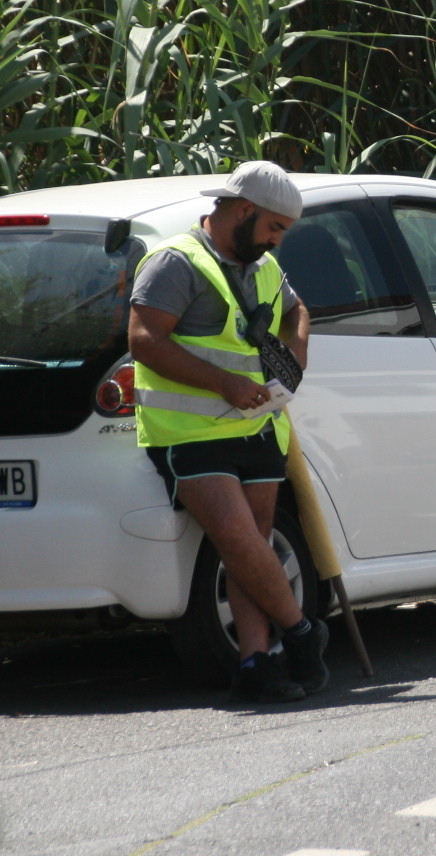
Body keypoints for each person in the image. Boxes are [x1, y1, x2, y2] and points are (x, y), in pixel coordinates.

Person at [128, 161, 328, 701]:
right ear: (243, 211)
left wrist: (297, 353)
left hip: (257, 428)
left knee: (251, 549)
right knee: (239, 541)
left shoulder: (262, 263)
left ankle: (254, 664)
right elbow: (143, 341)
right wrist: (224, 384)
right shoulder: (175, 261)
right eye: (274, 228)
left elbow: (297, 311)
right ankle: (302, 631)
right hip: (190, 433)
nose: (277, 241)